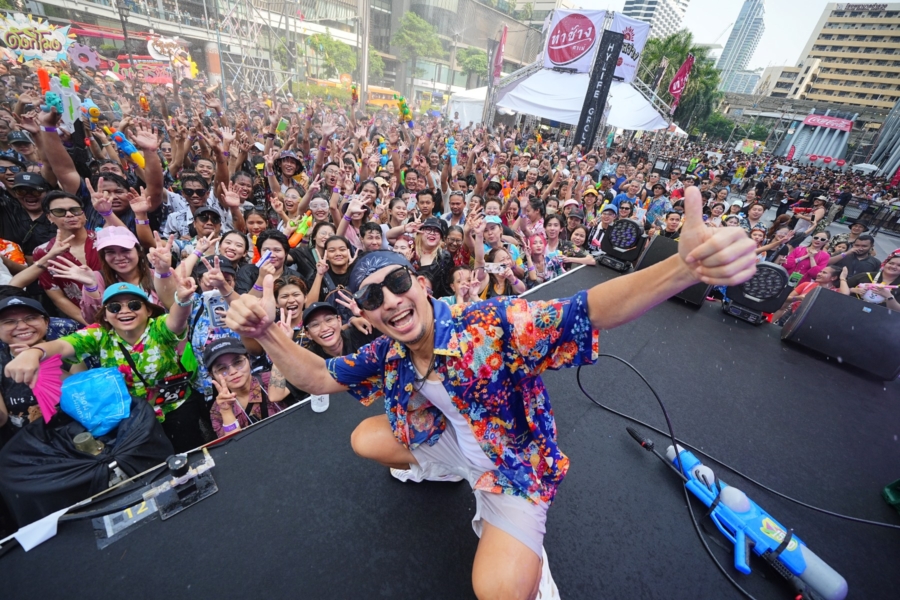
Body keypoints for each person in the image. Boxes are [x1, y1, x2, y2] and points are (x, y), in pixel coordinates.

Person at [222, 185, 756, 600]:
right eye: (373, 297)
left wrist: (681, 268)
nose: (391, 301)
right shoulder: (386, 350)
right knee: (365, 439)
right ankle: (446, 470)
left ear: (421, 284)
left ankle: (532, 562)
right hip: (454, 444)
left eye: (399, 283)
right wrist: (266, 333)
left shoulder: (489, 324)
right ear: (364, 312)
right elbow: (318, 377)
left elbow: (588, 309)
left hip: (512, 468)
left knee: (497, 591)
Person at [4, 276, 205, 452]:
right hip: (131, 415)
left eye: (134, 305)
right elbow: (63, 345)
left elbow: (176, 321)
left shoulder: (159, 327)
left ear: (148, 310)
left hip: (175, 406)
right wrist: (35, 352)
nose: (124, 311)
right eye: (115, 307)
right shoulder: (99, 334)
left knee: (191, 452)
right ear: (106, 315)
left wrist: (182, 300)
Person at [0, 297, 84, 444]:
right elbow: (2, 419)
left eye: (31, 318)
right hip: (25, 445)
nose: (22, 326)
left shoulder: (67, 352)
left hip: (75, 438)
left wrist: (41, 361)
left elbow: (85, 397)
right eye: (9, 321)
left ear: (46, 322)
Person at [204, 338, 287, 438]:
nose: (233, 372)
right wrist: (226, 411)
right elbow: (233, 443)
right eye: (222, 368)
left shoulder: (272, 380)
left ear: (249, 359)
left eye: (238, 362)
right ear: (212, 375)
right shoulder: (218, 410)